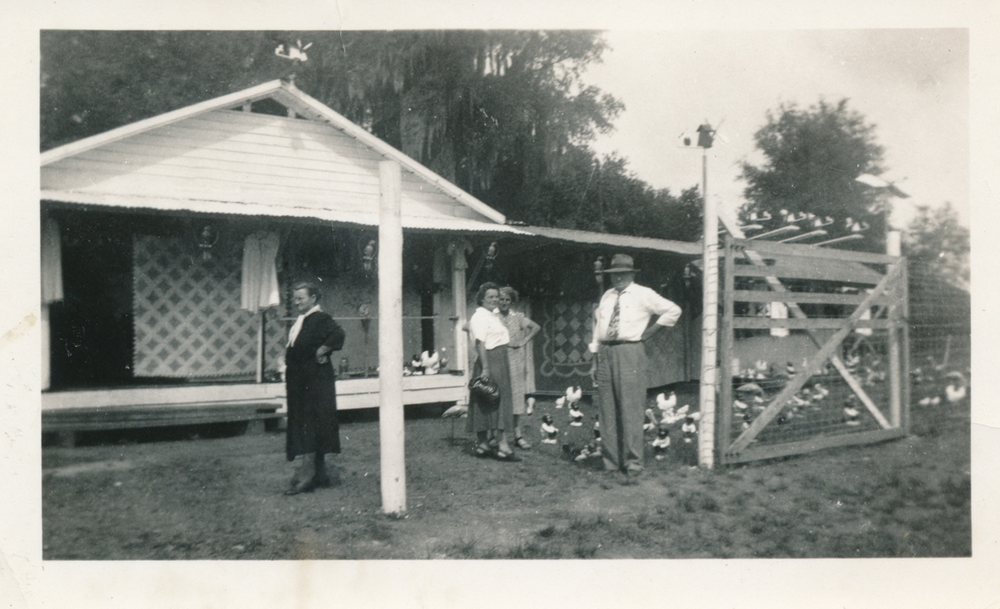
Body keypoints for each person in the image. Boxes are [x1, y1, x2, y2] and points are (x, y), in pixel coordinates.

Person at [588, 253, 681, 478]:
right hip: (605, 352)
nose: (618, 278)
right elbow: (598, 328)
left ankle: (633, 463)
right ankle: (611, 462)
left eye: (622, 273)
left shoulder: (643, 294)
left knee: (630, 408)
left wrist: (648, 333)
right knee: (607, 409)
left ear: (631, 273)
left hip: (630, 352)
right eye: (614, 274)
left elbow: (673, 310)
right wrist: (594, 360)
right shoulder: (607, 296)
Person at [284, 280, 346, 495]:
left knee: (308, 425)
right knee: (309, 424)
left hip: (314, 381)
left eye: (300, 298)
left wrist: (322, 350)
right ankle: (319, 474)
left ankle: (307, 477)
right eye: (295, 298)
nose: (296, 302)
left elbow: (338, 335)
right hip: (302, 380)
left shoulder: (320, 318)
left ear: (313, 299)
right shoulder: (304, 320)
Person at [466, 282, 521, 461]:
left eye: (496, 297)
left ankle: (483, 445)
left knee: (488, 401)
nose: (495, 300)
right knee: (497, 401)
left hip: (500, 359)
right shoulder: (480, 316)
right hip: (491, 361)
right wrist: (487, 368)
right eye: (490, 297)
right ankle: (503, 446)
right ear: (481, 298)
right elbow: (480, 343)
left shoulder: (492, 315)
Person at [496, 286, 541, 449]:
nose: (504, 303)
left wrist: (524, 341)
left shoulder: (518, 317)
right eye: (501, 299)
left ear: (512, 301)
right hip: (498, 358)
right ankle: (496, 436)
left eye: (507, 300)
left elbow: (536, 327)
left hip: (515, 359)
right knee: (499, 397)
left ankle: (517, 435)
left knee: (516, 397)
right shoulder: (492, 317)